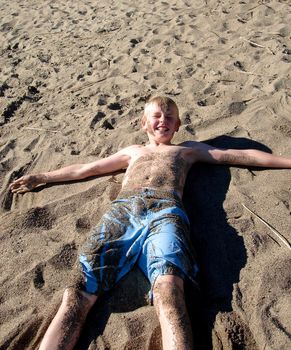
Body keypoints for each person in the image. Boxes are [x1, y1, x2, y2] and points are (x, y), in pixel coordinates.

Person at [10, 96, 291, 350]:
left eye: (170, 117)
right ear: (144, 122)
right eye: (157, 115)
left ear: (178, 124)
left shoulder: (187, 151)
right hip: (123, 211)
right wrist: (43, 177)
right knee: (78, 289)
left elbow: (237, 155)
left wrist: (287, 161)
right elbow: (87, 169)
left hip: (167, 211)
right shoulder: (133, 152)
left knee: (168, 288)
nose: (163, 121)